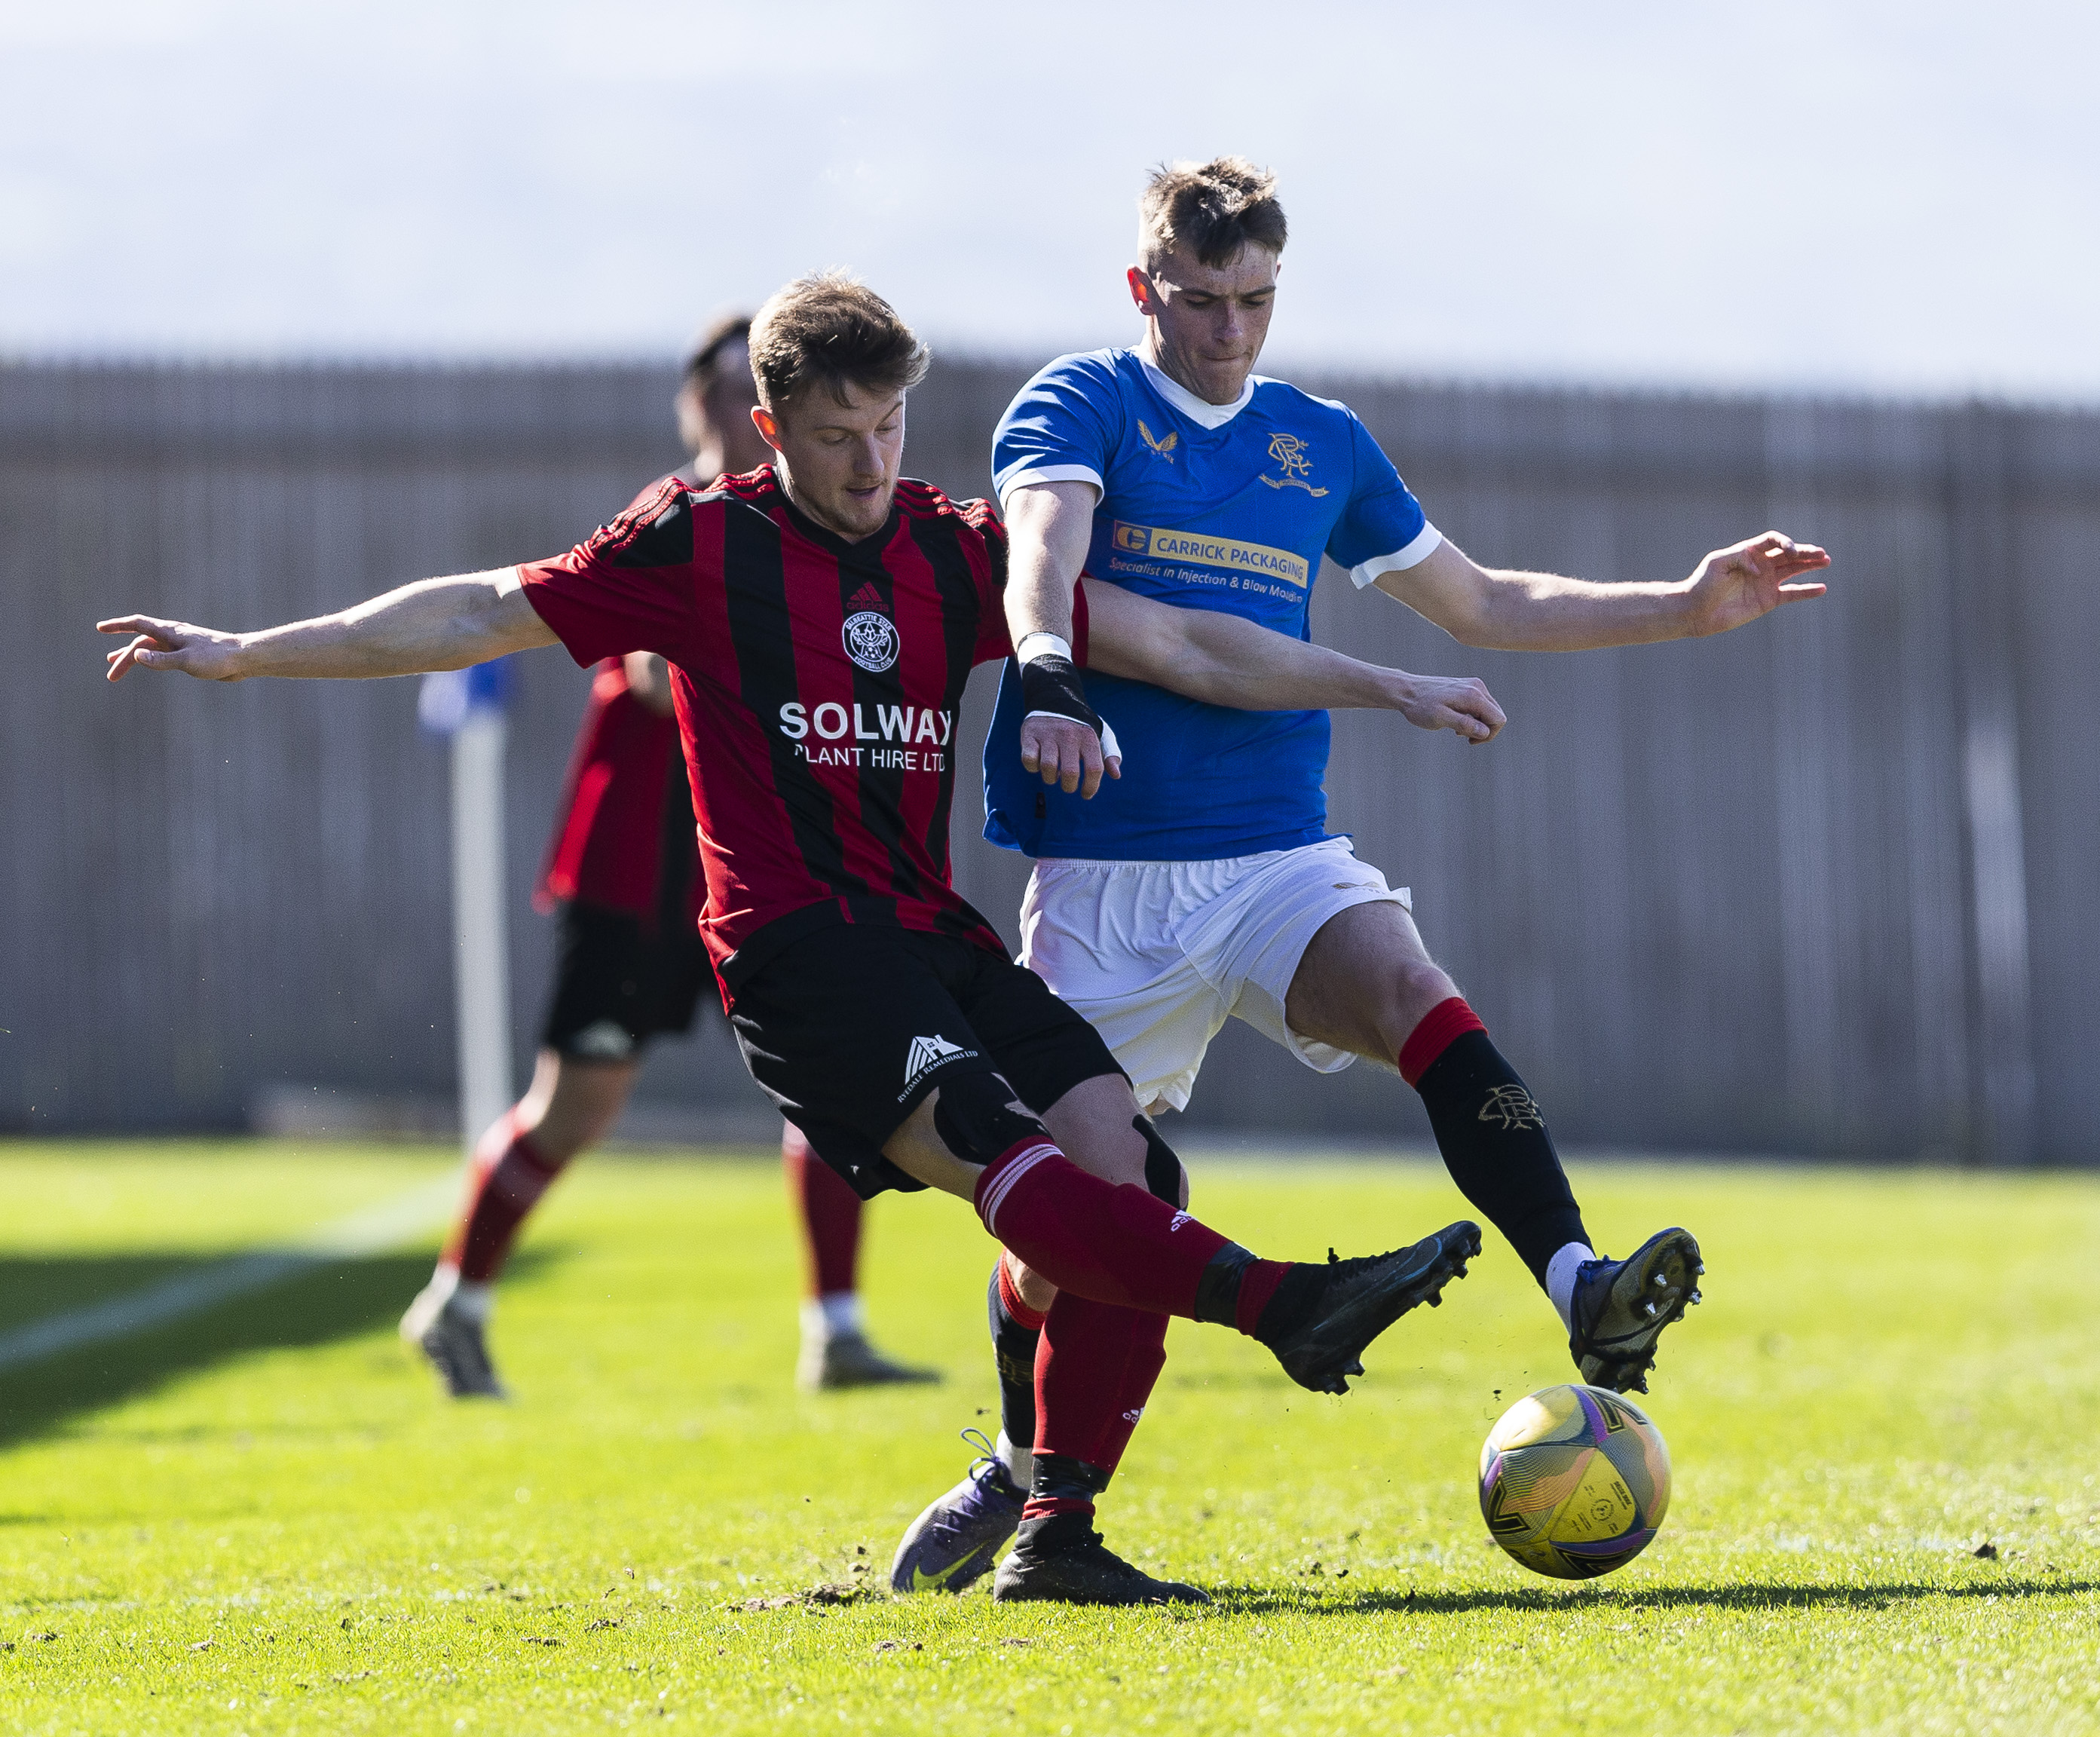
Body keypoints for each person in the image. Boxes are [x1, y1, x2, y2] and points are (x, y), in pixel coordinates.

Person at [99, 271, 1495, 1606]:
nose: (869, 462)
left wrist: (1384, 681)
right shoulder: (700, 546)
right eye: (834, 437)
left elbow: (1181, 645)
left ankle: (1055, 1530)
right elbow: (476, 610)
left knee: (1122, 1157)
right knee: (1003, 1154)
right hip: (793, 948)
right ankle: (1278, 1304)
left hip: (927, 930)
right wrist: (245, 648)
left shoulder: (956, 549)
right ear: (770, 429)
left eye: (887, 427)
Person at [889, 157, 1831, 1597]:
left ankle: (1580, 1286)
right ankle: (1033, 1487)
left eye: (1253, 301)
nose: (1226, 333)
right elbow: (1040, 556)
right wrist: (1051, 671)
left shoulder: (1317, 442)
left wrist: (1686, 607)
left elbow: (1484, 601)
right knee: (1084, 1219)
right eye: (1197, 302)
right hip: (1107, 882)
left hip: (1275, 857)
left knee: (1408, 988)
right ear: (1143, 289)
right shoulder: (1078, 404)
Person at [398, 315, 933, 1398]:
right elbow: (651, 676)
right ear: (697, 406)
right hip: (637, 870)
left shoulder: (821, 533)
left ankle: (834, 1331)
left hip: (763, 872)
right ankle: (455, 1302)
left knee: (833, 1085)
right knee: (577, 1107)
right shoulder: (671, 526)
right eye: (727, 389)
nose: (745, 412)